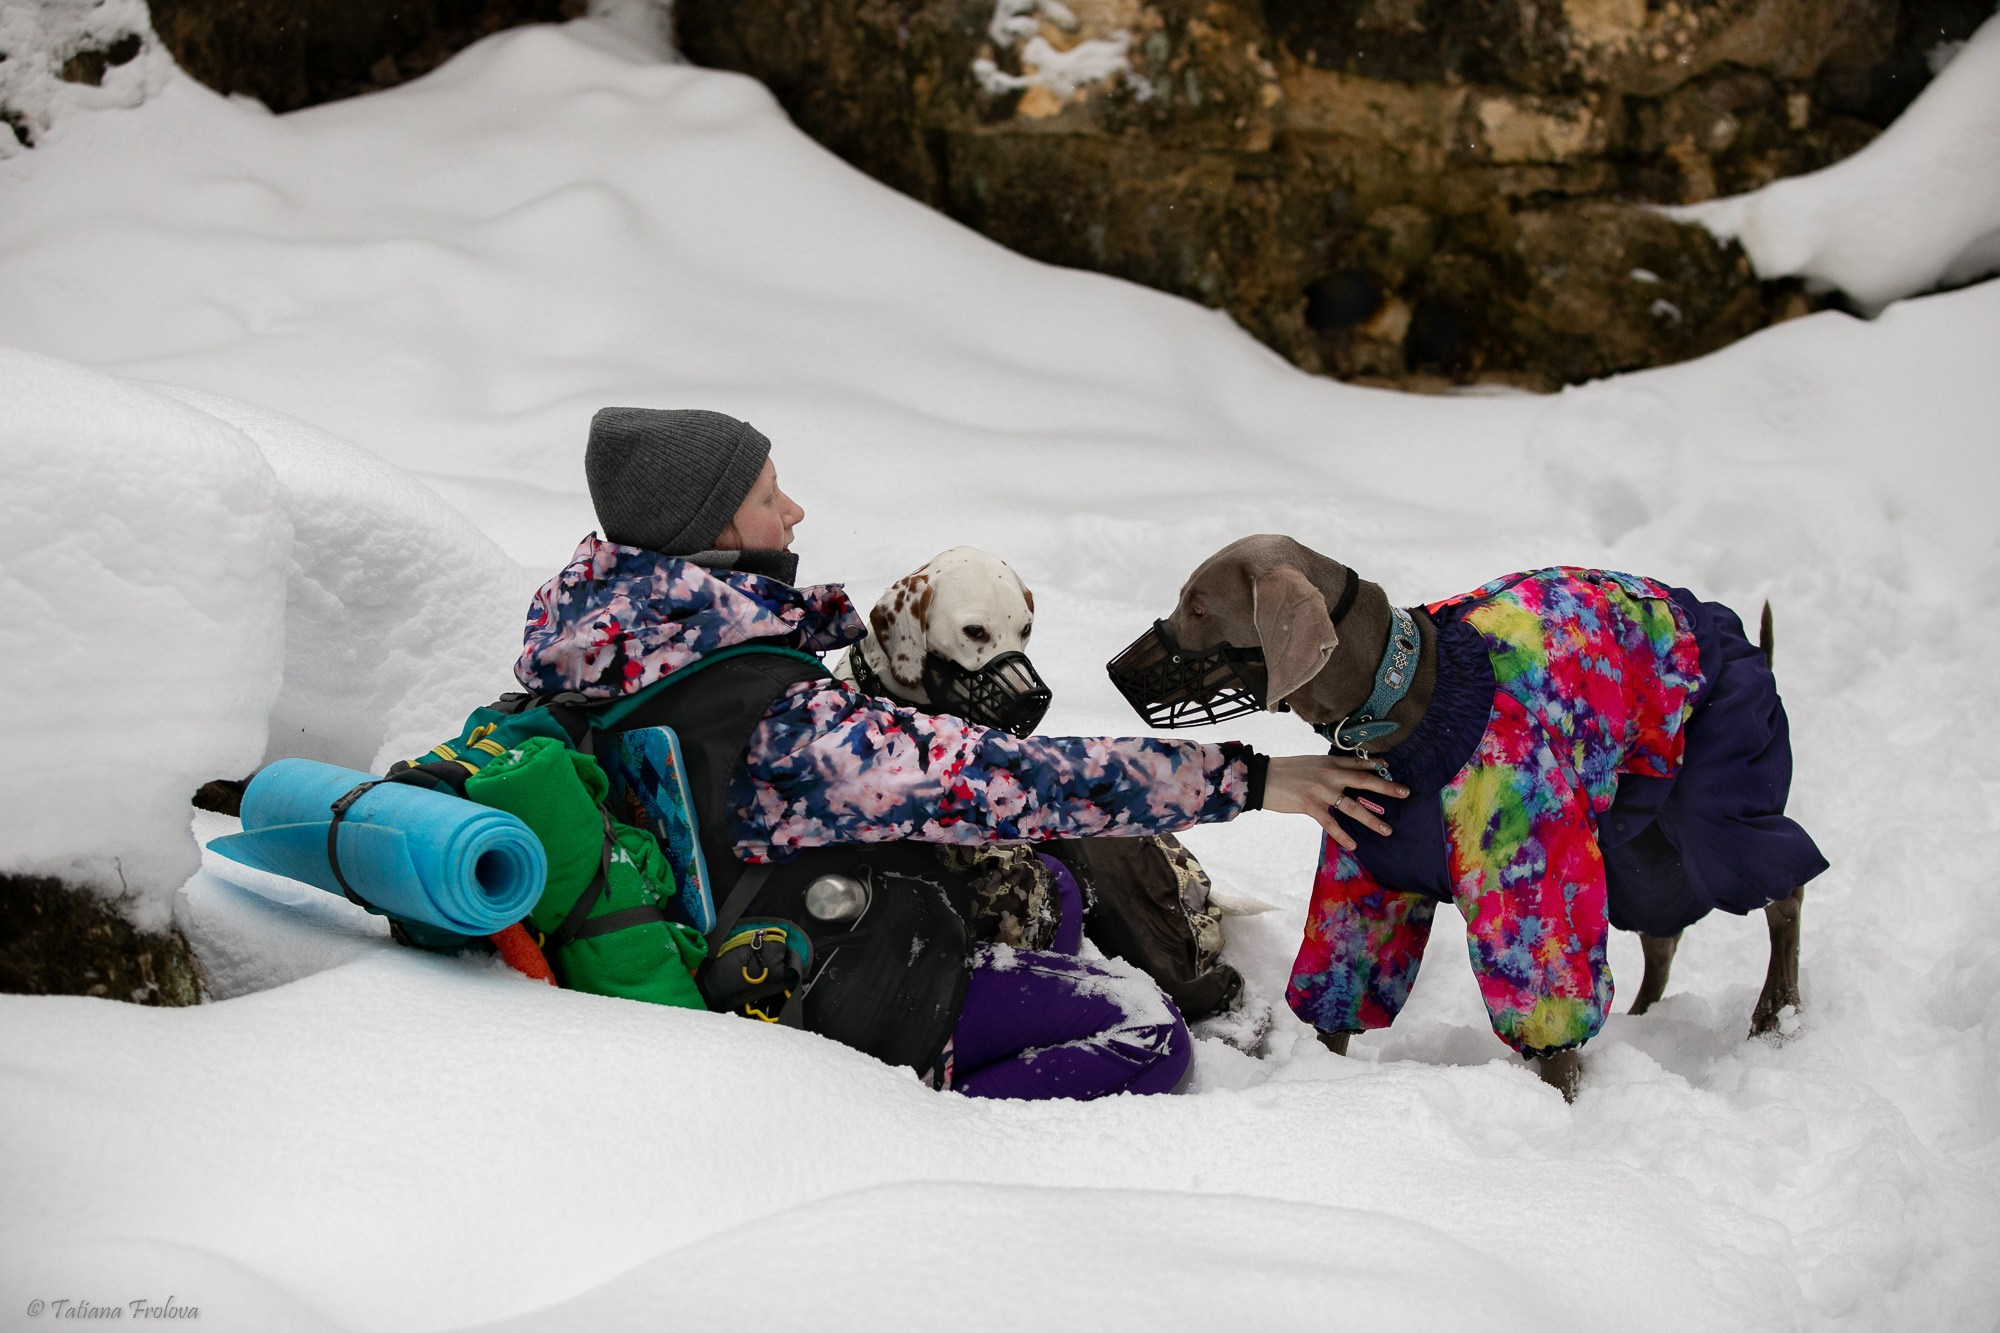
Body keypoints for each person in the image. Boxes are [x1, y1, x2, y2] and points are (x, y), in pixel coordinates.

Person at [512, 407, 1405, 1099]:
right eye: (766, 495)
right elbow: (1000, 777)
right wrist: (1251, 779)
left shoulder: (613, 643)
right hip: (804, 978)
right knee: (1146, 1032)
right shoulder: (767, 716)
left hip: (735, 930)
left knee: (1052, 894)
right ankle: (930, 1126)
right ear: (706, 527)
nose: (794, 510)